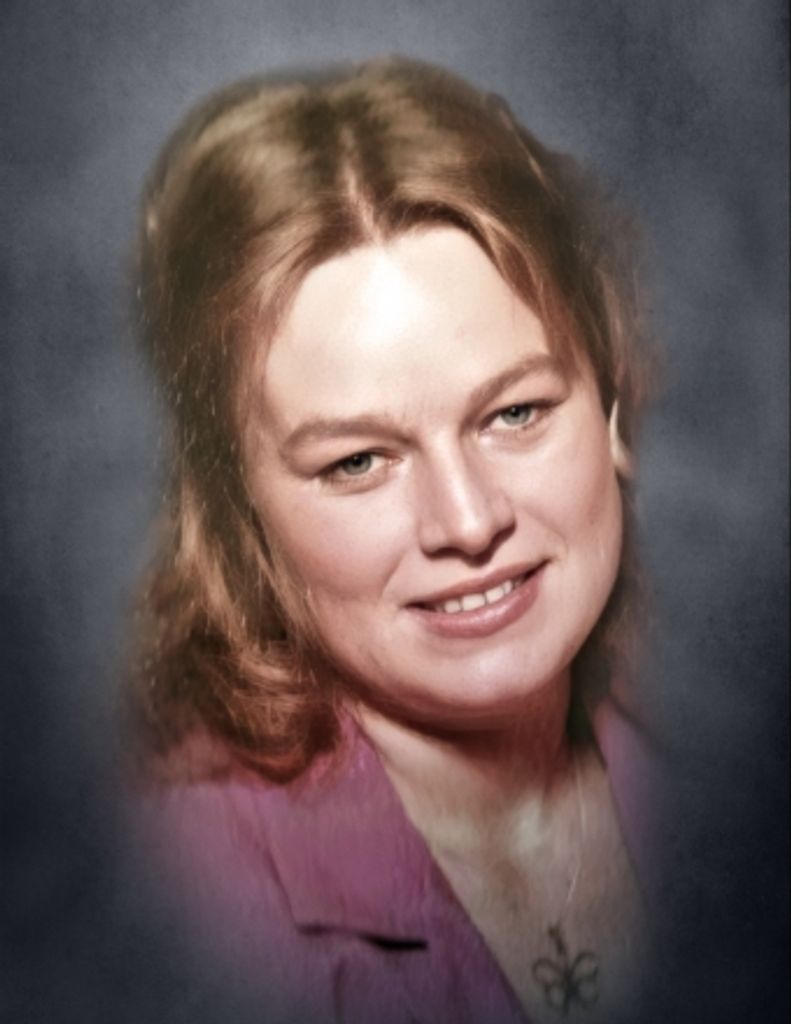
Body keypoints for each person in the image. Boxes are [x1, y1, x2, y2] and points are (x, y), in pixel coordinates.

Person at [129, 56, 658, 1024]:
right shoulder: (169, 902)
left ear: (612, 401)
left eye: (515, 413)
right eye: (357, 462)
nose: (469, 522)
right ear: (240, 517)